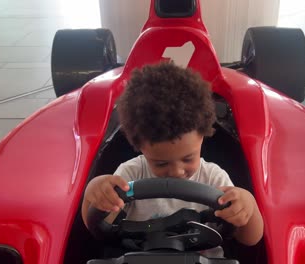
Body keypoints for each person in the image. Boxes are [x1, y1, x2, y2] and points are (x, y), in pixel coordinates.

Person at [81, 62, 263, 256]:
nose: (176, 171)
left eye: (188, 158)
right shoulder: (130, 174)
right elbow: (98, 226)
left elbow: (250, 239)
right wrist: (96, 193)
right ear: (139, 146)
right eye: (161, 163)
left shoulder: (214, 178)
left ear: (202, 136)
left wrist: (247, 206)